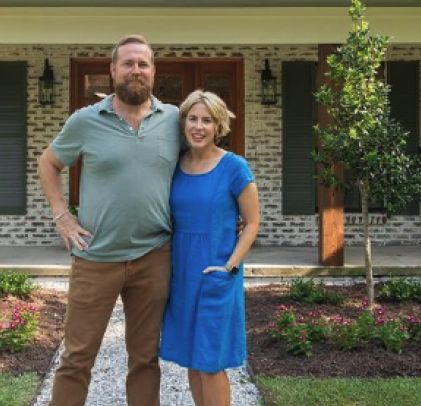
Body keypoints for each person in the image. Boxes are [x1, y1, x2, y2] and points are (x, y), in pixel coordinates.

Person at [38, 35, 182, 406]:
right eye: (128, 63)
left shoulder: (174, 120)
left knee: (146, 358)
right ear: (113, 70)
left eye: (143, 64)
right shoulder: (85, 121)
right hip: (95, 257)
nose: (136, 70)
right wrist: (62, 217)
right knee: (77, 357)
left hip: (154, 256)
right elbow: (48, 163)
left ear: (153, 71)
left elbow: (204, 162)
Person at [160, 90, 260, 406]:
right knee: (192, 358)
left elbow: (253, 222)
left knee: (210, 363)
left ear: (218, 126)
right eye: (193, 119)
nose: (199, 127)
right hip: (182, 275)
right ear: (184, 123)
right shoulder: (174, 166)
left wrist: (229, 266)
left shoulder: (234, 167)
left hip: (216, 272)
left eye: (207, 120)